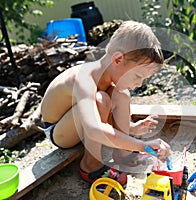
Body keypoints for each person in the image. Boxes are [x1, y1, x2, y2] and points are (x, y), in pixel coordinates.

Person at [41, 20, 171, 186]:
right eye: (138, 76)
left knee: (121, 93)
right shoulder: (84, 78)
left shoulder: (110, 79)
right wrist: (142, 145)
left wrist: (131, 127)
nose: (139, 84)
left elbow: (98, 118)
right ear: (117, 59)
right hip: (58, 131)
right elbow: (94, 128)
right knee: (101, 100)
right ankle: (90, 165)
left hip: (81, 123)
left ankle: (123, 154)